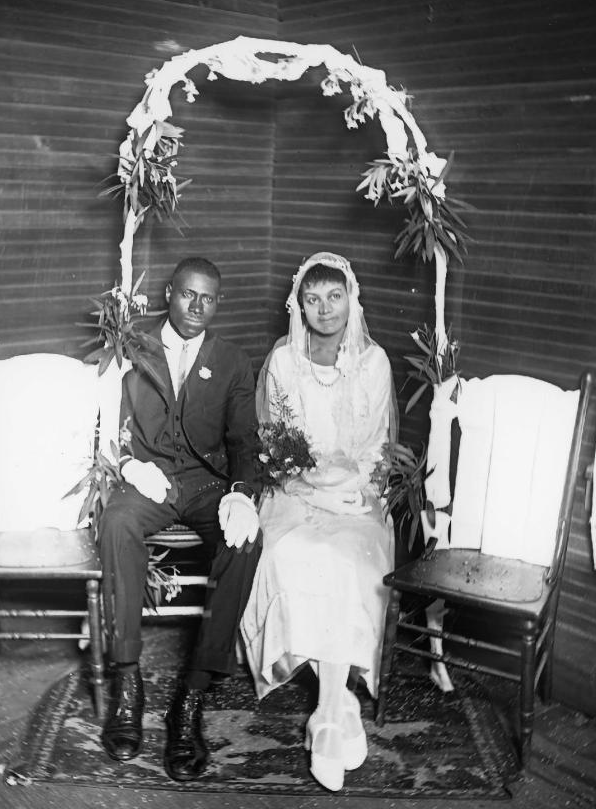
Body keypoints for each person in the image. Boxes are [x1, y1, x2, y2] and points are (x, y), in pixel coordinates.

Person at [97, 256, 263, 782]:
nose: (197, 306)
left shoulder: (233, 360)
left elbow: (243, 441)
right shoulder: (133, 346)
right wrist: (128, 465)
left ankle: (190, 699)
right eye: (188, 294)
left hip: (206, 485)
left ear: (218, 303)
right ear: (169, 293)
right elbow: (110, 425)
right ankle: (127, 681)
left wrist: (240, 495)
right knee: (118, 524)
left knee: (245, 542)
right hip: (150, 479)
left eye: (208, 298)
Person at [239, 252, 396, 792]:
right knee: (291, 552)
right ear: (298, 305)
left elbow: (377, 450)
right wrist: (310, 484)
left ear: (352, 300)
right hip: (296, 495)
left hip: (357, 497)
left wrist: (347, 489)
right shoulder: (284, 361)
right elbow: (278, 449)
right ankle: (338, 710)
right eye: (312, 299)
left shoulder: (373, 363)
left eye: (335, 297)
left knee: (348, 559)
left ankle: (327, 713)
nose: (324, 309)